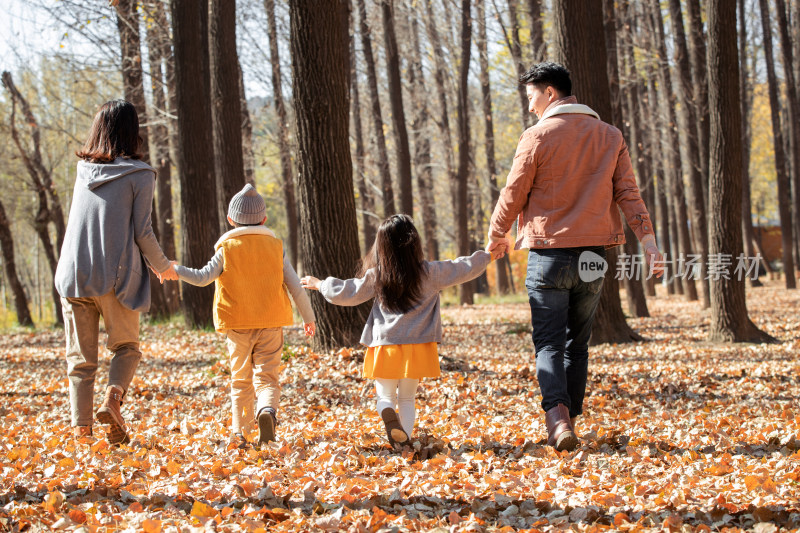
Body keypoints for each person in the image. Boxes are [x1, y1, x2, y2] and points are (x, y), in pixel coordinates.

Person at [487, 62, 664, 452]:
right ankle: (571, 419)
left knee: (548, 344)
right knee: (577, 344)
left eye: (532, 96)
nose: (530, 106)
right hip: (593, 258)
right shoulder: (610, 136)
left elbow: (513, 193)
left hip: (549, 255)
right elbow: (629, 194)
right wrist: (648, 241)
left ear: (550, 93)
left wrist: (496, 234)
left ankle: (557, 418)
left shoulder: (536, 137)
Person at [301, 214, 495, 447]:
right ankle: (405, 442)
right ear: (414, 243)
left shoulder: (378, 275)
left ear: (381, 247)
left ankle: (388, 418)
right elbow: (462, 268)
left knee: (385, 397)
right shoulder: (430, 272)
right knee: (407, 398)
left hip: (386, 345)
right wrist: (488, 255)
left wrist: (320, 284)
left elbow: (348, 292)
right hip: (418, 346)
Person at [55, 100, 178, 444]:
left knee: (80, 361)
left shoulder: (83, 172)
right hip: (114, 276)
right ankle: (112, 401)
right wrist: (163, 267)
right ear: (132, 132)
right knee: (127, 348)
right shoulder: (140, 175)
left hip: (72, 277)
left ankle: (82, 434)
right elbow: (143, 232)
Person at [170, 183, 315, 448]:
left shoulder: (227, 249)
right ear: (264, 219)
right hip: (270, 322)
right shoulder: (275, 247)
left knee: (240, 379)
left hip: (236, 324)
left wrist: (177, 269)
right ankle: (267, 411)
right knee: (268, 377)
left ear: (230, 219)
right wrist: (309, 318)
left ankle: (241, 433)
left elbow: (203, 278)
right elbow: (295, 285)